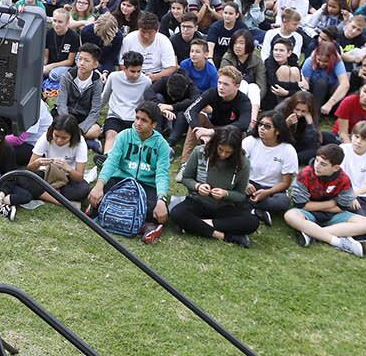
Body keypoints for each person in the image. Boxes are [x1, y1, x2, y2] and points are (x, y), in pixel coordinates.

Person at [88, 101, 172, 244]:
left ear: (154, 124)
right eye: (137, 118)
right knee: (97, 192)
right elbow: (111, 162)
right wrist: (99, 185)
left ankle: (111, 216)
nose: (138, 123)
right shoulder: (124, 136)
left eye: (144, 120)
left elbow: (162, 174)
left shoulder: (162, 144)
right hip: (121, 180)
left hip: (147, 185)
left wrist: (161, 199)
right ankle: (139, 224)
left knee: (158, 210)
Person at [171, 126, 259, 247]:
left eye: (228, 152)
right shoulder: (199, 152)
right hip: (198, 201)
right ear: (215, 144)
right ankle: (226, 236)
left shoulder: (243, 163)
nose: (223, 154)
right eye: (220, 149)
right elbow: (186, 178)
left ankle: (194, 224)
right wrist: (197, 186)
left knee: (252, 222)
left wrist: (226, 194)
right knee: (177, 213)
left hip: (223, 207)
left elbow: (240, 195)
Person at [284, 145, 366, 257]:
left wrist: (332, 205)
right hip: (309, 213)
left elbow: (342, 207)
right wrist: (331, 203)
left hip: (334, 214)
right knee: (290, 215)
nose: (317, 166)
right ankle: (338, 241)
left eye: (323, 164)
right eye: (317, 160)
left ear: (336, 168)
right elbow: (301, 205)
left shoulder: (343, 179)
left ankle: (311, 233)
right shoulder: (305, 174)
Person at [242, 111, 298, 225]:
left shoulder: (288, 150)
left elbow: (285, 183)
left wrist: (267, 192)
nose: (261, 128)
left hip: (273, 189)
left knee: (283, 202)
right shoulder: (250, 141)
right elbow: (237, 166)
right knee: (233, 191)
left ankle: (252, 207)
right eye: (260, 124)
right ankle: (258, 210)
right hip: (250, 184)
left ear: (277, 131)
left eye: (267, 126)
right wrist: (245, 182)